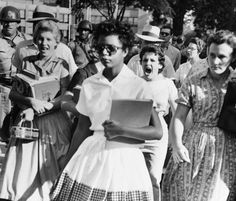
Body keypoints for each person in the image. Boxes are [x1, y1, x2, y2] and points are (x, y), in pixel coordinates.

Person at [50, 19, 163, 201]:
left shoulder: (139, 86)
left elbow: (157, 131)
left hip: (125, 160)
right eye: (100, 47)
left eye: (111, 49)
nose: (104, 53)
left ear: (125, 51)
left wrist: (122, 130)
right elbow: (82, 129)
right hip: (91, 158)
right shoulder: (89, 84)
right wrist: (67, 164)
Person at [0, 20, 72, 201]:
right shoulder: (26, 62)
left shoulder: (62, 66)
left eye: (48, 39)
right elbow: (13, 94)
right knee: (25, 168)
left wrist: (47, 106)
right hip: (28, 121)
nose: (44, 43)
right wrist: (30, 101)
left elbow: (66, 96)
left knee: (51, 167)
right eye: (40, 39)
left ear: (56, 42)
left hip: (54, 122)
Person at [162, 30, 236, 201]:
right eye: (212, 55)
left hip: (227, 150)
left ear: (232, 57)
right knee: (185, 194)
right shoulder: (193, 81)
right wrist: (178, 145)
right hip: (194, 145)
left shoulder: (234, 83)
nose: (215, 61)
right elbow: (179, 116)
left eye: (222, 57)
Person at [140, 45, 178, 201]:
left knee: (154, 178)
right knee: (133, 177)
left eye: (152, 60)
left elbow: (177, 112)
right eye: (144, 60)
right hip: (136, 132)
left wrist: (175, 139)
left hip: (158, 135)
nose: (148, 63)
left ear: (160, 65)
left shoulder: (167, 84)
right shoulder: (135, 82)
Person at [12, 4, 77, 78]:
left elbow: (72, 76)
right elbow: (18, 76)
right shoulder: (22, 47)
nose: (40, 27)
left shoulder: (64, 50)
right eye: (36, 24)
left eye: (43, 23)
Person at [0, 6, 31, 141]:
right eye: (5, 21)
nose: (8, 24)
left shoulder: (27, 41)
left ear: (18, 23)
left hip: (22, 89)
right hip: (3, 87)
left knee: (20, 126)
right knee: (2, 126)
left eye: (12, 21)